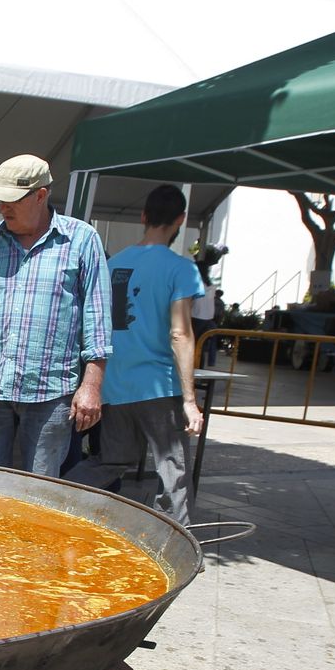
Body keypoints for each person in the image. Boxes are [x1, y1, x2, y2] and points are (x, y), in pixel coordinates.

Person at [0, 154, 110, 477]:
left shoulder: (82, 240)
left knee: (39, 488)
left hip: (49, 390)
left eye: (11, 200)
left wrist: (91, 386)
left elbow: (97, 323)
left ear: (41, 195)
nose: (3, 207)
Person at [64, 185, 204, 525]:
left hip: (113, 382)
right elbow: (180, 333)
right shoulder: (181, 268)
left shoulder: (113, 264)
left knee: (112, 460)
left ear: (143, 217)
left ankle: (56, 496)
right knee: (173, 469)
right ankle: (175, 544)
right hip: (158, 384)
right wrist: (189, 399)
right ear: (180, 220)